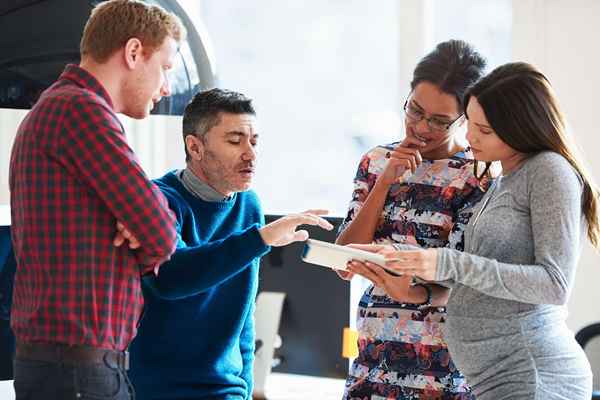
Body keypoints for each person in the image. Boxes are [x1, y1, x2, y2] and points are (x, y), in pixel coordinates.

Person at [351, 62, 597, 399]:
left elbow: (554, 285)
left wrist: (441, 262)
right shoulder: (508, 177)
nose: (469, 137)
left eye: (484, 130)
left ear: (521, 128)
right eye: (471, 123)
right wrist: (406, 258)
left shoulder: (549, 172)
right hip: (496, 378)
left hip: (532, 375)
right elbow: (476, 271)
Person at [8, 1, 184, 398]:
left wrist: (143, 221)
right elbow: (161, 234)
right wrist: (144, 231)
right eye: (166, 68)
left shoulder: (60, 106)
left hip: (67, 368)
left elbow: (155, 222)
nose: (167, 87)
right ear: (134, 52)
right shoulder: (81, 111)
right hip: (77, 373)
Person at [128, 88, 333, 400]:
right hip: (157, 390)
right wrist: (262, 238)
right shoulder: (159, 200)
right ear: (195, 147)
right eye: (235, 141)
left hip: (226, 391)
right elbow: (171, 275)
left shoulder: (248, 205)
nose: (250, 153)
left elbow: (242, 314)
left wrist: (247, 389)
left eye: (254, 141)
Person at [336, 40, 488, 399]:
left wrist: (415, 291)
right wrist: (385, 182)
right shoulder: (375, 161)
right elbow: (343, 257)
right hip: (372, 357)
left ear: (464, 118)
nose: (421, 127)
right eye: (415, 110)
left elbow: (467, 280)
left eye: (439, 120)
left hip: (440, 367)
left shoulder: (475, 177)